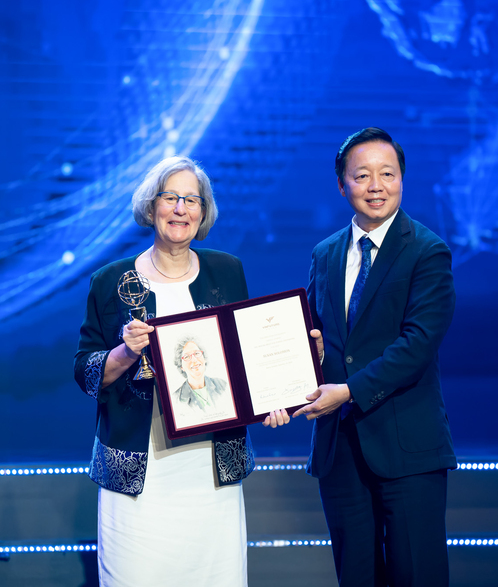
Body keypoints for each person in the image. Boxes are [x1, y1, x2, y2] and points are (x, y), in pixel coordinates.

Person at [73, 156, 290, 587]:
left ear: (203, 211)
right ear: (151, 207)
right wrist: (123, 353)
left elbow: (244, 358)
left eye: (192, 199)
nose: (181, 209)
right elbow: (85, 372)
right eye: (170, 197)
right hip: (140, 471)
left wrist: (273, 396)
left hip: (210, 472)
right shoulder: (110, 281)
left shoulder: (227, 271)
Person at [293, 127, 457, 586]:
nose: (376, 186)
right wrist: (283, 386)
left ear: (403, 179)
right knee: (356, 576)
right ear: (342, 184)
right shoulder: (324, 254)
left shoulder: (427, 252)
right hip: (340, 448)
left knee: (415, 574)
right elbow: (314, 337)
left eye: (387, 173)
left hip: (407, 445)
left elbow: (418, 344)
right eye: (362, 175)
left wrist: (347, 390)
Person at [171, 336, 232, 415]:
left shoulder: (223, 385)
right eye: (187, 357)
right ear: (181, 366)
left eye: (197, 353)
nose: (194, 360)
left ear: (204, 358)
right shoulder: (176, 399)